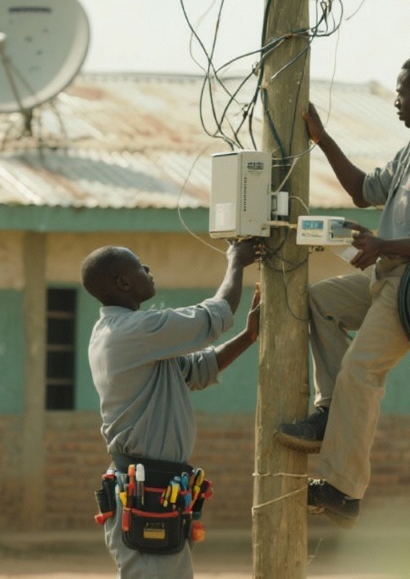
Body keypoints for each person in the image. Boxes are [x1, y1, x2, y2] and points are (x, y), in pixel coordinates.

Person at [274, 53, 410, 528]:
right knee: (318, 302)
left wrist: (383, 242)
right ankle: (329, 416)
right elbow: (364, 190)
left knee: (361, 369)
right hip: (386, 276)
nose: (396, 100)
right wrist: (322, 139)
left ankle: (343, 490)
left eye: (402, 92)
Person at [81, 239, 261, 579]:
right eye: (139, 265)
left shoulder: (127, 334)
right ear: (123, 282)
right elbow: (215, 314)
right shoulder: (132, 331)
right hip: (147, 489)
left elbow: (195, 370)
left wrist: (248, 337)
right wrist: (236, 262)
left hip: (158, 487)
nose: (148, 270)